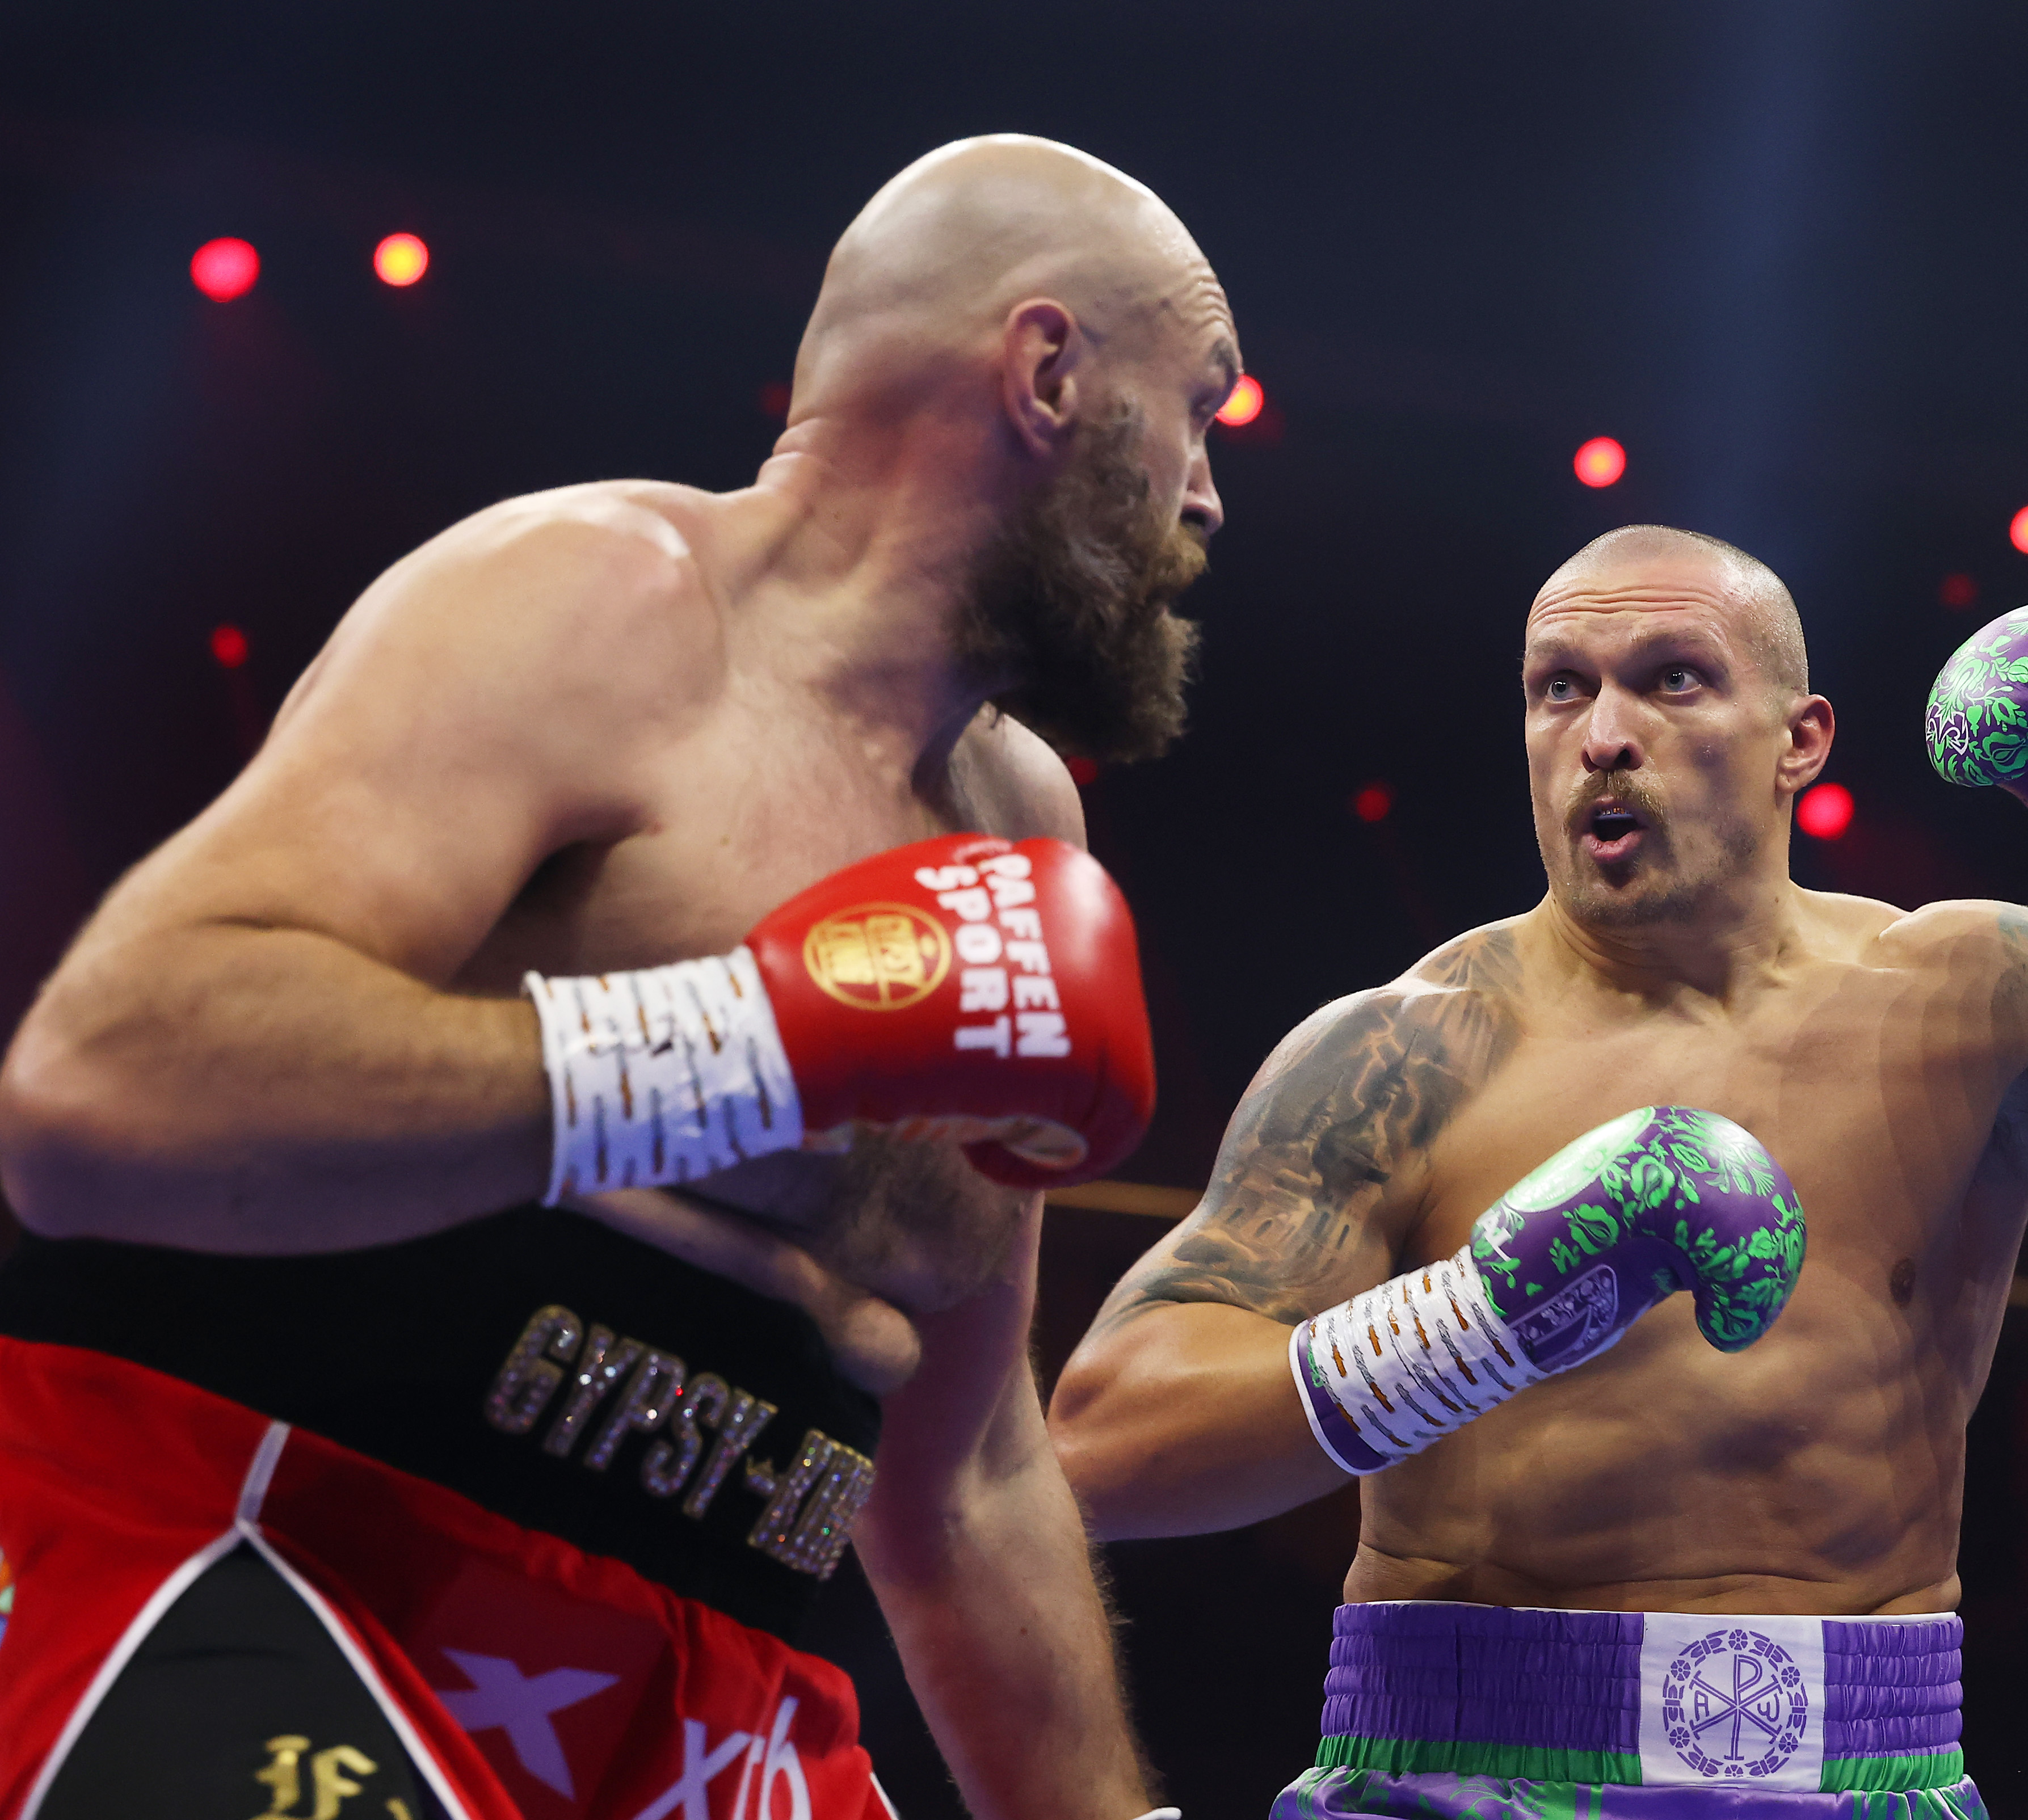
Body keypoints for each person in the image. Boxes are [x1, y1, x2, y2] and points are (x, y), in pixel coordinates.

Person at [0, 134, 1240, 1820]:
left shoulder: (1025, 832)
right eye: (1198, 411)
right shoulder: (597, 607)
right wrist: (750, 1042)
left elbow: (966, 1472)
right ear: (1046, 373)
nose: (1207, 496)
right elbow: (98, 1093)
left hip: (708, 1692)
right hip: (277, 1552)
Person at [1048, 525, 2028, 1818]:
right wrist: (1477, 1322)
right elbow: (1099, 1455)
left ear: (1801, 738)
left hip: (1862, 1765)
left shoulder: (1978, 994)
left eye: (1671, 678)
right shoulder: (1402, 1053)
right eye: (1559, 687)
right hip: (1462, 1764)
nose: (1602, 732)